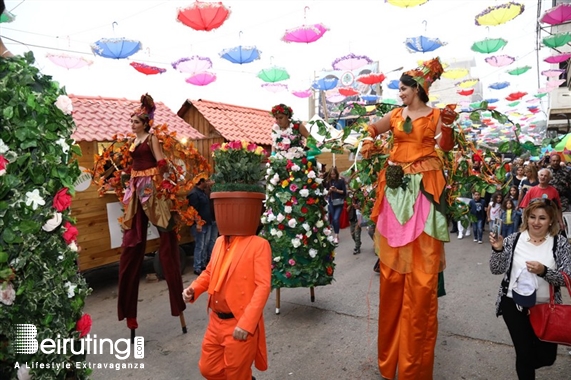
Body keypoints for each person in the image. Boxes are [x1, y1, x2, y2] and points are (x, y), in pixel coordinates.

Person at [365, 57, 455, 379]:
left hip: (424, 192)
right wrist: (367, 138)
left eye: (402, 88)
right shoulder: (395, 115)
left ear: (416, 88)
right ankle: (390, 361)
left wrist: (450, 125)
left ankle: (414, 365)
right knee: (391, 279)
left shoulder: (434, 116)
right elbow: (373, 128)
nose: (399, 93)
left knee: (421, 280)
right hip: (394, 189)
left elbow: (447, 145)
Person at [118, 94, 186, 331]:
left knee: (166, 237)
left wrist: (164, 172)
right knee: (132, 240)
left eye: (136, 122)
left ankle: (177, 303)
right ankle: (128, 312)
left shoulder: (151, 138)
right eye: (132, 122)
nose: (133, 125)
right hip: (136, 188)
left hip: (151, 188)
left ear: (145, 123)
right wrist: (126, 174)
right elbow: (134, 164)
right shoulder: (133, 142)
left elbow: (160, 160)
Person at [489, 198, 571, 379]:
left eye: (542, 218)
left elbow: (567, 278)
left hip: (546, 308)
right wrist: (498, 249)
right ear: (526, 217)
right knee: (524, 353)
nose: (536, 222)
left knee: (547, 357)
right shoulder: (514, 239)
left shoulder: (559, 243)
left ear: (550, 220)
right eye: (532, 217)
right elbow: (496, 269)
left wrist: (544, 272)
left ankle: (525, 362)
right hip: (513, 304)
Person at [261, 104, 335, 290]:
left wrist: (302, 154)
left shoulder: (297, 126)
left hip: (298, 170)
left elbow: (312, 141)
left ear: (288, 116)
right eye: (276, 118)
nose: (278, 121)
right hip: (281, 173)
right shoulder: (275, 130)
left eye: (280, 117)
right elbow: (275, 149)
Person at [182, 234, 272, 380]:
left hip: (239, 322)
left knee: (236, 374)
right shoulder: (219, 241)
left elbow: (263, 286)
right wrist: (194, 289)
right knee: (208, 369)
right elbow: (210, 272)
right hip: (215, 320)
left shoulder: (259, 244)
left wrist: (247, 323)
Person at [518, 168, 565, 232]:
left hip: (548, 223)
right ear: (538, 177)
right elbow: (525, 207)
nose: (543, 177)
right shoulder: (532, 190)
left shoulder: (554, 191)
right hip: (534, 222)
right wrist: (524, 222)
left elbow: (558, 208)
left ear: (549, 178)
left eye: (545, 176)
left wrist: (561, 222)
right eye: (541, 175)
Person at [187, 176, 213, 275]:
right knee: (200, 245)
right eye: (205, 181)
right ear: (201, 182)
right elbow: (193, 211)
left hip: (207, 222)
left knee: (205, 244)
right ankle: (197, 267)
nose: (207, 182)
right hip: (200, 224)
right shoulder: (194, 194)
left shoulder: (202, 192)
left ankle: (202, 264)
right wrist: (198, 223)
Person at [325, 166, 347, 244]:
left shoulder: (340, 181)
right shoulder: (328, 182)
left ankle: (336, 235)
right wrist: (330, 190)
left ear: (336, 174)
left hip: (339, 202)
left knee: (335, 218)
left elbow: (344, 192)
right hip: (331, 202)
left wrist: (336, 190)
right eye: (331, 174)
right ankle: (336, 233)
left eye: (334, 174)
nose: (333, 176)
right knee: (333, 219)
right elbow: (326, 194)